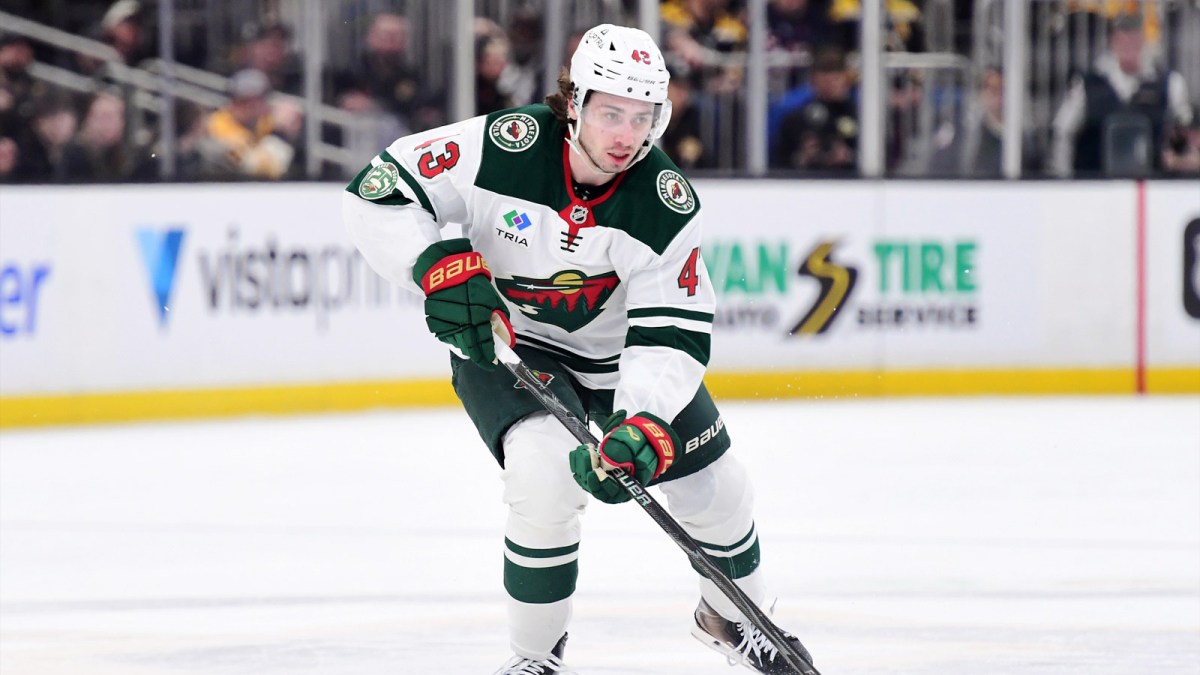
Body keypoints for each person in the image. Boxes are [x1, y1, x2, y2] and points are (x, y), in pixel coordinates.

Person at [342, 23, 813, 675]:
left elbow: (670, 329)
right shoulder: (502, 146)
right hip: (511, 343)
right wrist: (432, 265)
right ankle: (535, 655)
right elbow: (379, 189)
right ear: (573, 104)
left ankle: (735, 620)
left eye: (642, 116)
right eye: (610, 112)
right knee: (543, 472)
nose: (625, 134)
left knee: (718, 488)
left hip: (619, 355)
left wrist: (643, 419)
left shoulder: (664, 202)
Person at [1048, 13, 1193, 177]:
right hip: (1095, 185)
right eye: (1123, 40)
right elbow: (1062, 132)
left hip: (1152, 186)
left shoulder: (1169, 84)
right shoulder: (1087, 85)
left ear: (1142, 42)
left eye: (1133, 41)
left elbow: (1185, 133)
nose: (1128, 47)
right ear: (1113, 42)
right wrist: (1064, 180)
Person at [771, 44, 857, 171]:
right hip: (806, 185)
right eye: (824, 79)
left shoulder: (860, 117)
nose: (830, 84)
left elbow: (883, 158)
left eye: (835, 78)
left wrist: (850, 157)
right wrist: (802, 158)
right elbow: (778, 162)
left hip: (852, 184)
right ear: (813, 80)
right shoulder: (796, 119)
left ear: (846, 78)